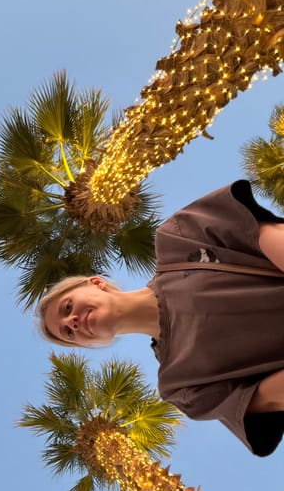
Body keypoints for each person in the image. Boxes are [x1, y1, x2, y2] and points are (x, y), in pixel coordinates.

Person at [37, 180, 284, 458]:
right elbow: (268, 396)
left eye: (67, 306)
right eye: (68, 333)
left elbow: (267, 234)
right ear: (90, 343)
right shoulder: (180, 385)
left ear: (96, 283)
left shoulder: (179, 238)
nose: (71, 321)